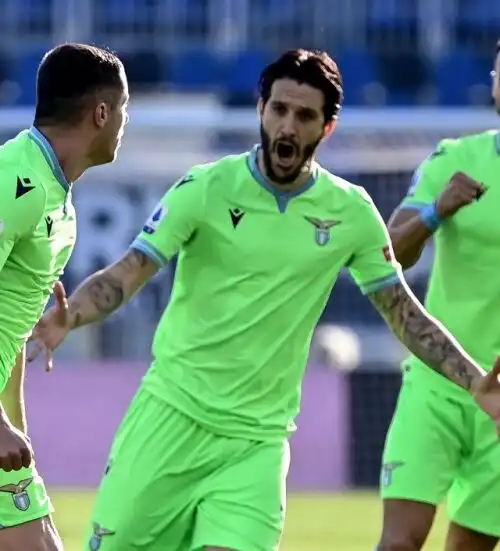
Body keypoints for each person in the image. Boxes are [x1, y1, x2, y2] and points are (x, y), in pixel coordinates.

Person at [29, 49, 500, 551]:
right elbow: (129, 271)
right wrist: (70, 317)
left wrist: (476, 382)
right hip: (170, 420)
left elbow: (405, 314)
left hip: (257, 444)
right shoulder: (207, 187)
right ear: (261, 110)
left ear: (327, 127)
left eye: (305, 116)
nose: (288, 126)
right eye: (279, 109)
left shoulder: (351, 213)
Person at [0, 43, 129, 551]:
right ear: (101, 113)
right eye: (123, 108)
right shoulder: (18, 180)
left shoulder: (60, 203)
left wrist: (14, 425)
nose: (124, 123)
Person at [376, 41, 500, 551]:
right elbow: (390, 255)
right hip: (439, 381)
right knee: (399, 543)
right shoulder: (455, 159)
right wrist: (436, 211)